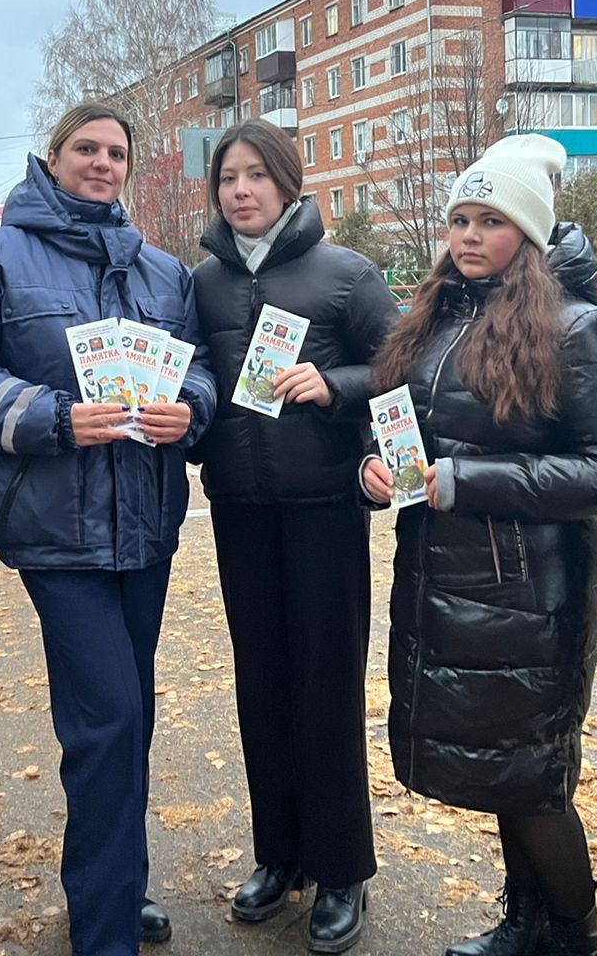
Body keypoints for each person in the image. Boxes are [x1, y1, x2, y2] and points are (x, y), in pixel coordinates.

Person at [0, 102, 216, 956]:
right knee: (109, 716)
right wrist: (51, 416)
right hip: (55, 531)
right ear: (51, 158)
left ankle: (120, 876)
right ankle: (104, 927)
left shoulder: (162, 271)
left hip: (146, 525)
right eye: (86, 148)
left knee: (129, 717)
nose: (103, 162)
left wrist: (184, 411)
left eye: (117, 151)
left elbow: (195, 371)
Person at [363, 135, 597, 956]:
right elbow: (405, 435)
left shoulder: (576, 328)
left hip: (529, 594)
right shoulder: (437, 318)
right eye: (459, 219)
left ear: (529, 230)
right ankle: (526, 924)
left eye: (491, 220)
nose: (469, 236)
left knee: (533, 782)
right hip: (439, 577)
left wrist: (466, 481)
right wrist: (375, 476)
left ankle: (577, 935)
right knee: (501, 775)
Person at [189, 119, 397, 952]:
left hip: (323, 511)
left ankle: (342, 867)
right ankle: (280, 857)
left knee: (326, 686)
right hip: (240, 510)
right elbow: (191, 375)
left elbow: (402, 370)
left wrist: (335, 383)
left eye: (255, 176)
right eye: (227, 179)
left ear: (287, 182)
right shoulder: (199, 283)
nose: (240, 191)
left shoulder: (346, 275)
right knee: (261, 686)